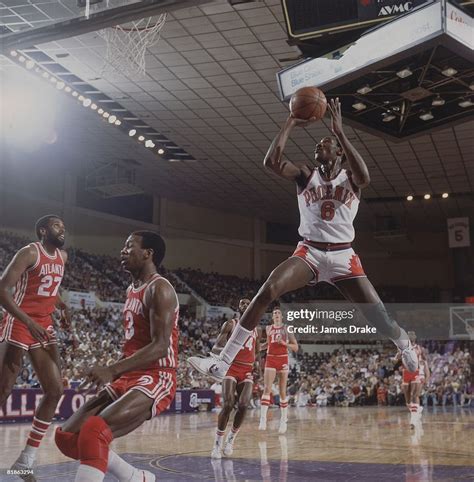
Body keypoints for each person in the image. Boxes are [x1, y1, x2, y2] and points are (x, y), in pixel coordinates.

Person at [188, 98, 418, 381]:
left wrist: (340, 133)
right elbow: (271, 162)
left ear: (338, 152)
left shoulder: (350, 179)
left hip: (343, 257)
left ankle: (403, 342)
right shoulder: (305, 174)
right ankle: (222, 363)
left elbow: (366, 177)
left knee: (378, 317)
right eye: (318, 144)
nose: (317, 146)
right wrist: (291, 122)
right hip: (309, 252)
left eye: (324, 143)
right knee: (267, 290)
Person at [54, 231, 178, 482]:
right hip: (129, 376)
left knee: (94, 431)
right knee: (66, 438)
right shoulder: (131, 289)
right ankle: (134, 477)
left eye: (129, 246)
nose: (122, 251)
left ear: (148, 253)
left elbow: (160, 347)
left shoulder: (160, 288)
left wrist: (111, 369)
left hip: (157, 376)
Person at [0, 214, 69, 476]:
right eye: (56, 226)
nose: (62, 229)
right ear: (42, 231)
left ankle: (25, 460)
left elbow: (49, 286)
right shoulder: (29, 252)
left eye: (63, 226)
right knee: (3, 390)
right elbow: (2, 289)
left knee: (55, 390)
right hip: (19, 322)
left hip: (43, 325)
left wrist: (60, 304)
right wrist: (28, 321)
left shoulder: (63, 257)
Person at [210, 298, 260, 459]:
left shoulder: (256, 328)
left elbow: (256, 351)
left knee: (244, 405)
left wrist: (257, 365)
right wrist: (230, 349)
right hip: (231, 367)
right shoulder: (230, 324)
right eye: (242, 303)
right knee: (229, 404)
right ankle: (217, 443)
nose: (245, 305)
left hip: (247, 369)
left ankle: (231, 439)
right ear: (238, 307)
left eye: (248, 303)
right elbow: (215, 347)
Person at [259, 307, 298, 434]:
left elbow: (295, 347)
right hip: (270, 358)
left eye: (278, 313)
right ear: (272, 317)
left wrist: (284, 344)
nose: (276, 314)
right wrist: (258, 347)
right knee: (267, 388)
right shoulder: (268, 328)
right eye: (274, 313)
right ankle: (263, 419)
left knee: (282, 390)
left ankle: (283, 420)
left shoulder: (287, 328)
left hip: (282, 359)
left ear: (281, 317)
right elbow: (268, 344)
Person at [398, 331, 430, 427]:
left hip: (419, 375)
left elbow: (426, 366)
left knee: (415, 395)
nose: (411, 336)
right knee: (408, 399)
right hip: (408, 374)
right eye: (409, 334)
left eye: (412, 334)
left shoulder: (420, 349)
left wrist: (427, 380)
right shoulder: (403, 348)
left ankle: (413, 419)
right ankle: (416, 410)